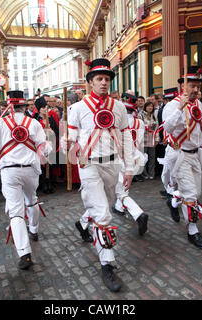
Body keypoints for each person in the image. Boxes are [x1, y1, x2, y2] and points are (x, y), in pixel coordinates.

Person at [62, 58, 135, 292]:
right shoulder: (78, 108)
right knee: (103, 214)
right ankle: (107, 264)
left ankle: (83, 223)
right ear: (90, 83)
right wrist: (67, 142)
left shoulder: (119, 107)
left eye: (107, 79)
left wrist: (130, 168)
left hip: (113, 164)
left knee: (105, 203)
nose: (103, 83)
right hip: (89, 165)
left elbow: (126, 139)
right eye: (99, 79)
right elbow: (71, 138)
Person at [0, 90, 52, 270]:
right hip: (30, 170)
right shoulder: (34, 123)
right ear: (24, 106)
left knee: (15, 210)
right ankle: (34, 230)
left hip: (9, 171)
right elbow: (44, 148)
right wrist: (41, 156)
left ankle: (25, 253)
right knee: (31, 200)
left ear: (8, 106)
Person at [163, 66, 202, 250]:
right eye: (192, 85)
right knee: (191, 194)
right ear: (182, 85)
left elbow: (198, 132)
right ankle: (193, 231)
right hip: (180, 154)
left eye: (198, 86)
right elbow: (166, 128)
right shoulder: (173, 105)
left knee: (196, 193)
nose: (196, 89)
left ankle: (173, 201)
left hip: (195, 154)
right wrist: (180, 108)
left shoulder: (197, 104)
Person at [112, 92, 149, 235]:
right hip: (134, 156)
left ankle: (138, 213)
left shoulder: (116, 121)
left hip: (119, 157)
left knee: (120, 190)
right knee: (123, 186)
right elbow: (139, 142)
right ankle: (119, 207)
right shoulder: (139, 122)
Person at [141, 102, 158, 179]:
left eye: (151, 106)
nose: (150, 108)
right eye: (148, 106)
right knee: (143, 157)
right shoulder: (141, 115)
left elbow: (157, 129)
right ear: (145, 107)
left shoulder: (154, 116)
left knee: (152, 157)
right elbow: (140, 126)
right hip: (143, 139)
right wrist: (147, 127)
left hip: (152, 139)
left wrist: (157, 139)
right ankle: (144, 174)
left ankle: (151, 173)